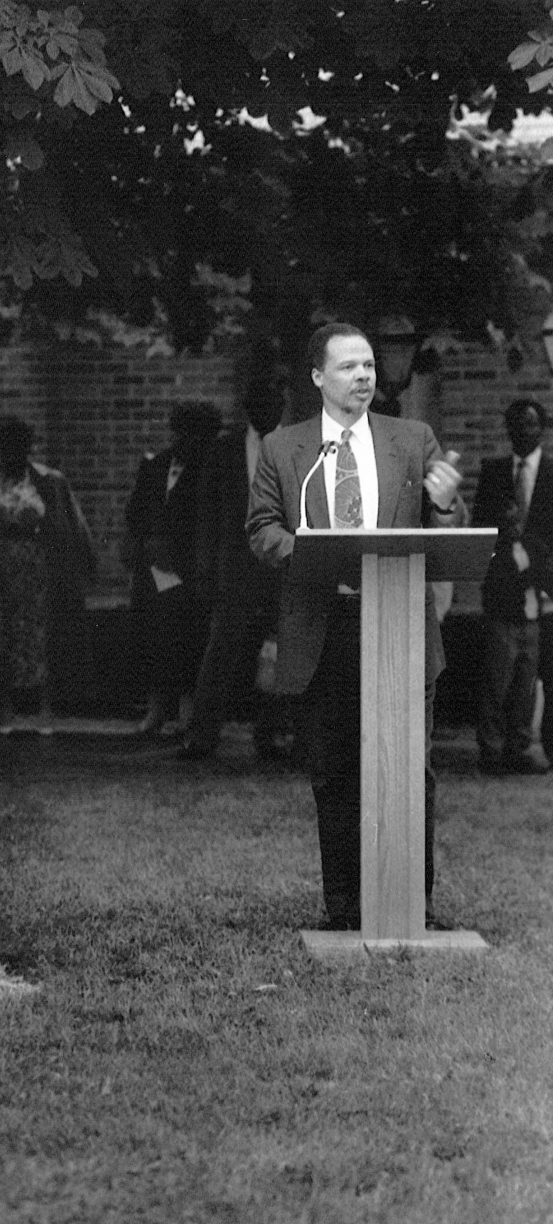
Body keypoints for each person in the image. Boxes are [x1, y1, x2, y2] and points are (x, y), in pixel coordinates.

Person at [246, 322, 468, 932]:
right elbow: (262, 529)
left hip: (399, 626)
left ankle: (410, 905)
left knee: (410, 769)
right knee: (336, 769)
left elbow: (446, 528)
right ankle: (343, 906)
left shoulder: (412, 438)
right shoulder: (284, 448)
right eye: (349, 367)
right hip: (326, 628)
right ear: (318, 377)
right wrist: (311, 556)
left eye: (369, 365)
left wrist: (447, 503)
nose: (364, 376)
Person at [0, 418, 96, 734]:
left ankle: (43, 711)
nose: (13, 456)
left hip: (39, 567)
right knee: (3, 634)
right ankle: (4, 712)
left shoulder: (51, 482)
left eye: (19, 449)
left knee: (41, 635)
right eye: (7, 449)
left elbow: (72, 527)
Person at [176, 380, 290, 761]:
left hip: (281, 567)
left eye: (274, 402)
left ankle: (271, 732)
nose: (268, 410)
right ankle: (203, 734)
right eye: (260, 402)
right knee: (221, 652)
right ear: (248, 407)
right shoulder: (223, 451)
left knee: (279, 652)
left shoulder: (297, 448)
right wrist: (205, 569)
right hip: (236, 570)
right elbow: (207, 516)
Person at [124, 402, 222, 734]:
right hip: (154, 564)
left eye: (191, 434)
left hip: (189, 564)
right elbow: (136, 509)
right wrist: (145, 543)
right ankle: (156, 709)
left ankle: (187, 710)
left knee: (189, 637)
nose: (182, 440)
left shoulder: (211, 468)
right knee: (152, 636)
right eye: (179, 432)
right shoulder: (156, 465)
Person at [472, 399, 552, 775]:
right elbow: (479, 531)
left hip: (542, 594)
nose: (525, 431)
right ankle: (491, 747)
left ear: (543, 428)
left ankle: (522, 745)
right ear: (508, 430)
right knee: (496, 676)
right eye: (518, 425)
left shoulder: (552, 473)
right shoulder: (493, 473)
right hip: (501, 593)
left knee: (528, 676)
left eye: (533, 424)